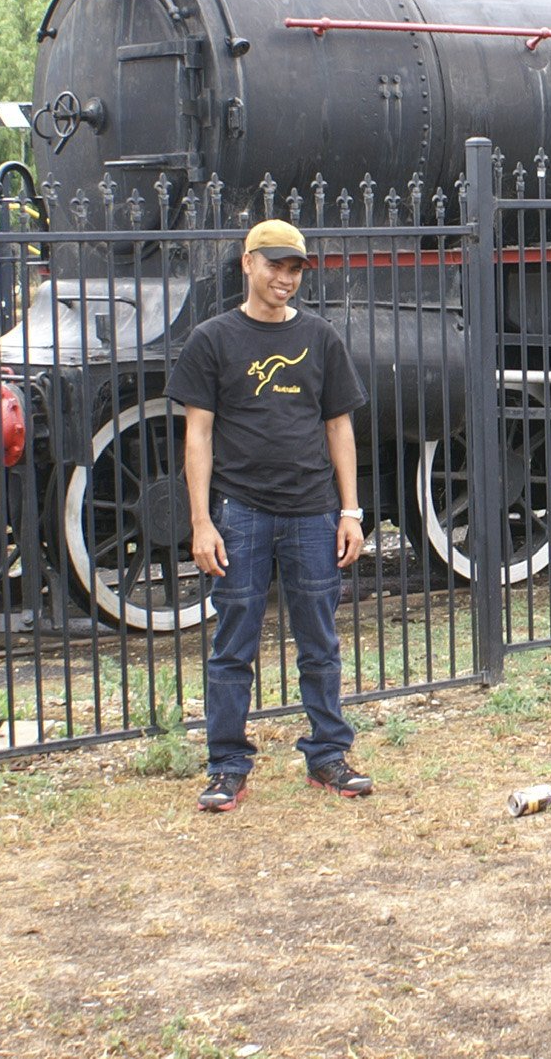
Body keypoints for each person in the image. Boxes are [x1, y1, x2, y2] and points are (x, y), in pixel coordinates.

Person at [167, 217, 371, 810]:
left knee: (320, 641)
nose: (285, 278)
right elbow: (197, 437)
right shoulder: (213, 339)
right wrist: (202, 521)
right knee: (233, 643)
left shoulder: (321, 339)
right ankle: (228, 764)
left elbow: (340, 427)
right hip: (243, 512)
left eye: (294, 268)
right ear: (247, 264)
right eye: (275, 265)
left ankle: (329, 756)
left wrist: (350, 511)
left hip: (312, 511)